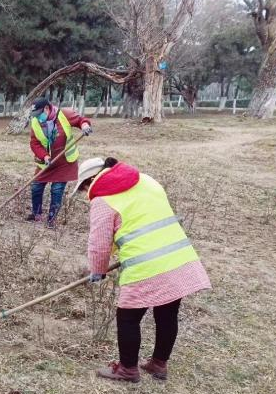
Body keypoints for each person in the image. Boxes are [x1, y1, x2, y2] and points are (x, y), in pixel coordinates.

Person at [72, 157, 211, 383]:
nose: (86, 193)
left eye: (84, 187)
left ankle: (127, 369)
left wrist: (98, 271)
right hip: (176, 257)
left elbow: (99, 244)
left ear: (90, 181)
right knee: (167, 313)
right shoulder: (146, 180)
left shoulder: (103, 200)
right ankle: (158, 364)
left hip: (145, 265)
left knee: (128, 317)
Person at [27, 97, 93, 228]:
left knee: (57, 190)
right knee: (36, 186)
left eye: (39, 114)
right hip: (46, 162)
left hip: (64, 161)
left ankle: (51, 220)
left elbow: (81, 120)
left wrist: (85, 125)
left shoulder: (64, 114)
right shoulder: (35, 122)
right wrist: (45, 156)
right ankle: (36, 214)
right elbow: (34, 143)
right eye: (35, 115)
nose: (37, 118)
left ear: (46, 108)